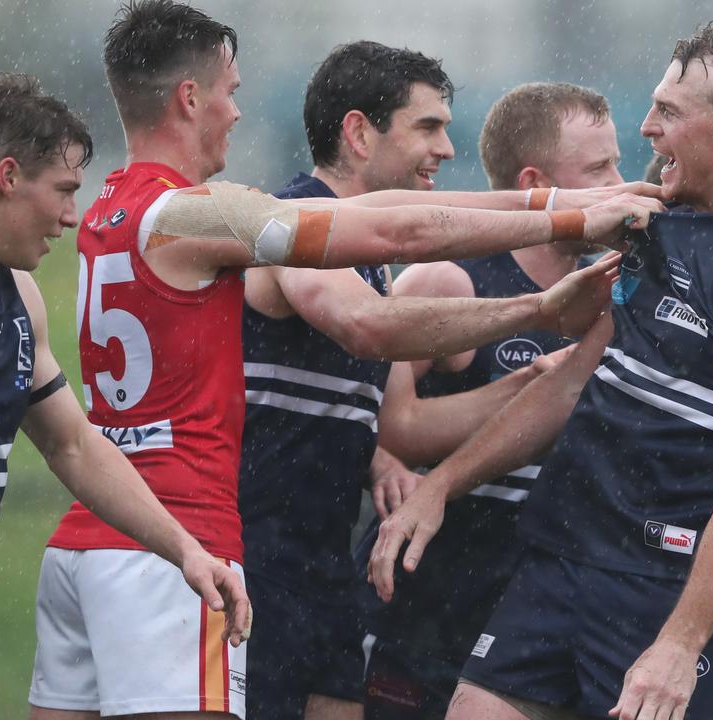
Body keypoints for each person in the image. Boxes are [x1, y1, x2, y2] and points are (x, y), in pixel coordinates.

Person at [31, 2, 660, 719]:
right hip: (184, 540)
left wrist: (567, 210)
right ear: (189, 98)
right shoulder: (198, 213)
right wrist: (565, 242)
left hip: (99, 537)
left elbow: (393, 261)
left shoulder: (109, 206)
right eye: (231, 93)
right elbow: (394, 246)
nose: (238, 113)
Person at [370, 24, 713, 720]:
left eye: (669, 112)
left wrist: (678, 644)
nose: (647, 127)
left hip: (668, 591)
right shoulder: (655, 220)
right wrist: (441, 487)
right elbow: (572, 383)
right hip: (561, 560)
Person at [239, 42, 631, 720]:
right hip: (255, 559)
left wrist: (526, 390)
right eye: (427, 127)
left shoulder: (370, 262)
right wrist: (536, 310)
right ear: (359, 132)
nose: (447, 148)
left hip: (325, 564)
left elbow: (403, 425)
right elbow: (369, 327)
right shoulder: (291, 221)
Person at [360, 80, 625, 720]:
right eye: (599, 168)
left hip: (544, 610)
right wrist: (380, 461)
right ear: (535, 181)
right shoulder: (449, 278)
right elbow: (362, 406)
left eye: (617, 161)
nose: (621, 182)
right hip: (430, 605)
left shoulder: (616, 291)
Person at [0, 70, 249, 661]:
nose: (72, 217)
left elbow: (73, 447)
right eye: (60, 190)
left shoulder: (20, 302)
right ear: (8, 178)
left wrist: (185, 550)